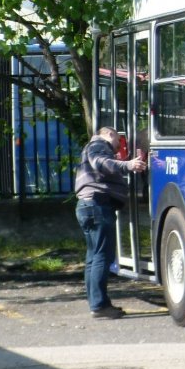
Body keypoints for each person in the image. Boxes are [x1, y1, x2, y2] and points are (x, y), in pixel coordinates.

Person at [74, 127, 147, 320]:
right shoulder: (98, 144)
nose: (117, 148)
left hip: (87, 205)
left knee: (93, 257)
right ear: (110, 134)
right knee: (102, 257)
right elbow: (100, 163)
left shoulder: (90, 147)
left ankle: (96, 303)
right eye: (118, 141)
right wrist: (128, 165)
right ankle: (99, 305)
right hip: (98, 205)